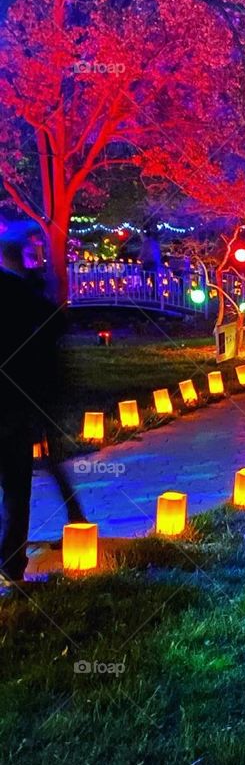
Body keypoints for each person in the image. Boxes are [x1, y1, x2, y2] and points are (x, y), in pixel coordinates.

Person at [0, 224, 83, 585]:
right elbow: (58, 322)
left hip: (16, 401)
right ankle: (12, 563)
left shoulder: (17, 290)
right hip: (22, 399)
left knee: (19, 482)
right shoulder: (23, 291)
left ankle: (12, 560)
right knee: (17, 486)